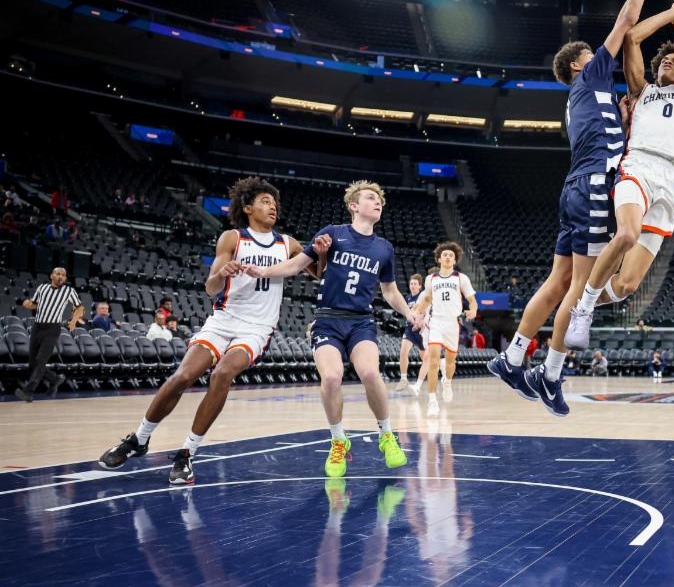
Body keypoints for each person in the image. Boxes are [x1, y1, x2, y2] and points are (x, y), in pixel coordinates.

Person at [487, 0, 674, 416]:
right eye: (592, 54)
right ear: (578, 65)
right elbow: (627, 21)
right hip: (594, 184)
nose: (600, 57)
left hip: (575, 184)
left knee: (557, 280)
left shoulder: (583, 99)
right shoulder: (590, 76)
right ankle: (549, 373)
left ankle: (512, 357)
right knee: (581, 283)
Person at [99, 178, 308, 484]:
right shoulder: (232, 238)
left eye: (274, 202)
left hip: (257, 328)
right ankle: (139, 440)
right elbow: (211, 288)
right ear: (248, 208)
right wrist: (222, 273)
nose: (272, 205)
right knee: (182, 376)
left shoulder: (288, 244)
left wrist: (323, 249)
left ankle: (187, 453)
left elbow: (317, 270)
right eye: (264, 201)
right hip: (223, 319)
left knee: (222, 374)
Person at [565, 0, 674, 355]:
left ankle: (576, 304)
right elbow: (633, 38)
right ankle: (584, 308)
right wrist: (672, 15)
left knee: (628, 285)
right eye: (665, 59)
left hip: (671, 182)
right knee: (627, 233)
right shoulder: (642, 91)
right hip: (638, 166)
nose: (668, 60)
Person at [244, 180, 416, 477]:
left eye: (380, 200)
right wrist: (264, 271)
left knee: (371, 373)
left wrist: (411, 314)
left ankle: (387, 435)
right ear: (353, 205)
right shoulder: (332, 233)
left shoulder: (384, 248)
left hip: (361, 321)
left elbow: (389, 291)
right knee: (332, 377)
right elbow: (297, 265)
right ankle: (338, 440)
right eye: (371, 198)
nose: (378, 203)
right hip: (328, 319)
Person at [413, 242, 477, 417]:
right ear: (439, 258)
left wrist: (473, 309)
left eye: (451, 255)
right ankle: (432, 400)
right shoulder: (430, 279)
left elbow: (472, 300)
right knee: (432, 360)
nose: (448, 257)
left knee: (450, 362)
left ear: (454, 260)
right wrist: (417, 311)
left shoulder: (461, 278)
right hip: (437, 322)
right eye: (445, 254)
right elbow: (426, 299)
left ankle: (447, 381)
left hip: (453, 324)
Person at [14, 266, 83, 402]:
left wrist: (74, 321)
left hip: (52, 329)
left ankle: (29, 390)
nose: (60, 276)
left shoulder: (69, 291)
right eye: (58, 274)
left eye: (63, 275)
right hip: (37, 327)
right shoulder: (42, 288)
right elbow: (35, 304)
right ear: (52, 276)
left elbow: (79, 307)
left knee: (41, 360)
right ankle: (55, 379)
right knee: (32, 363)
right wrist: (28, 304)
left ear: (66, 278)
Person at [398, 273, 427, 395]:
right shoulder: (407, 298)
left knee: (425, 358)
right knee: (403, 352)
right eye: (411, 284)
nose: (413, 286)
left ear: (420, 286)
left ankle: (435, 372)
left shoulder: (423, 296)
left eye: (415, 284)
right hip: (409, 329)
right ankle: (403, 378)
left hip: (421, 331)